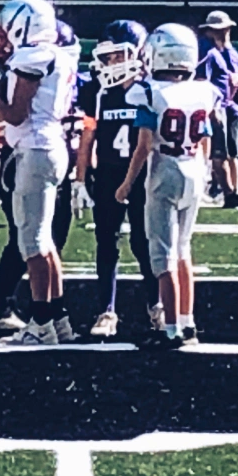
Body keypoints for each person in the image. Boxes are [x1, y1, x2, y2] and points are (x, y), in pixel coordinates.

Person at [0, 0, 80, 345]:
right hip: (50, 146)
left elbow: (17, 113)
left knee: (32, 241)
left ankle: (39, 324)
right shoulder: (60, 54)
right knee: (45, 239)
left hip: (35, 149)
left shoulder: (32, 56)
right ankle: (56, 317)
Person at [117, 23, 222, 349]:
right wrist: (204, 173)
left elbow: (144, 144)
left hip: (165, 168)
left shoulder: (150, 92)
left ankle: (173, 329)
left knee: (162, 256)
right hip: (193, 167)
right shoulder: (203, 91)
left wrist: (126, 183)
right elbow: (206, 136)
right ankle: (189, 323)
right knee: (183, 251)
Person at [75, 19, 154, 337]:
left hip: (144, 175)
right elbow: (88, 136)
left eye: (119, 55)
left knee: (144, 242)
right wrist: (80, 179)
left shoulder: (149, 89)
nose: (112, 62)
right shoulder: (97, 91)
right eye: (108, 56)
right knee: (106, 241)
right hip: (107, 171)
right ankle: (106, 311)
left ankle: (157, 305)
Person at [197, 10, 238, 210]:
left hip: (230, 106)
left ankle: (233, 191)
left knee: (230, 152)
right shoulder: (208, 52)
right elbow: (203, 81)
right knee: (218, 152)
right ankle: (228, 192)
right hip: (218, 106)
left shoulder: (230, 53)